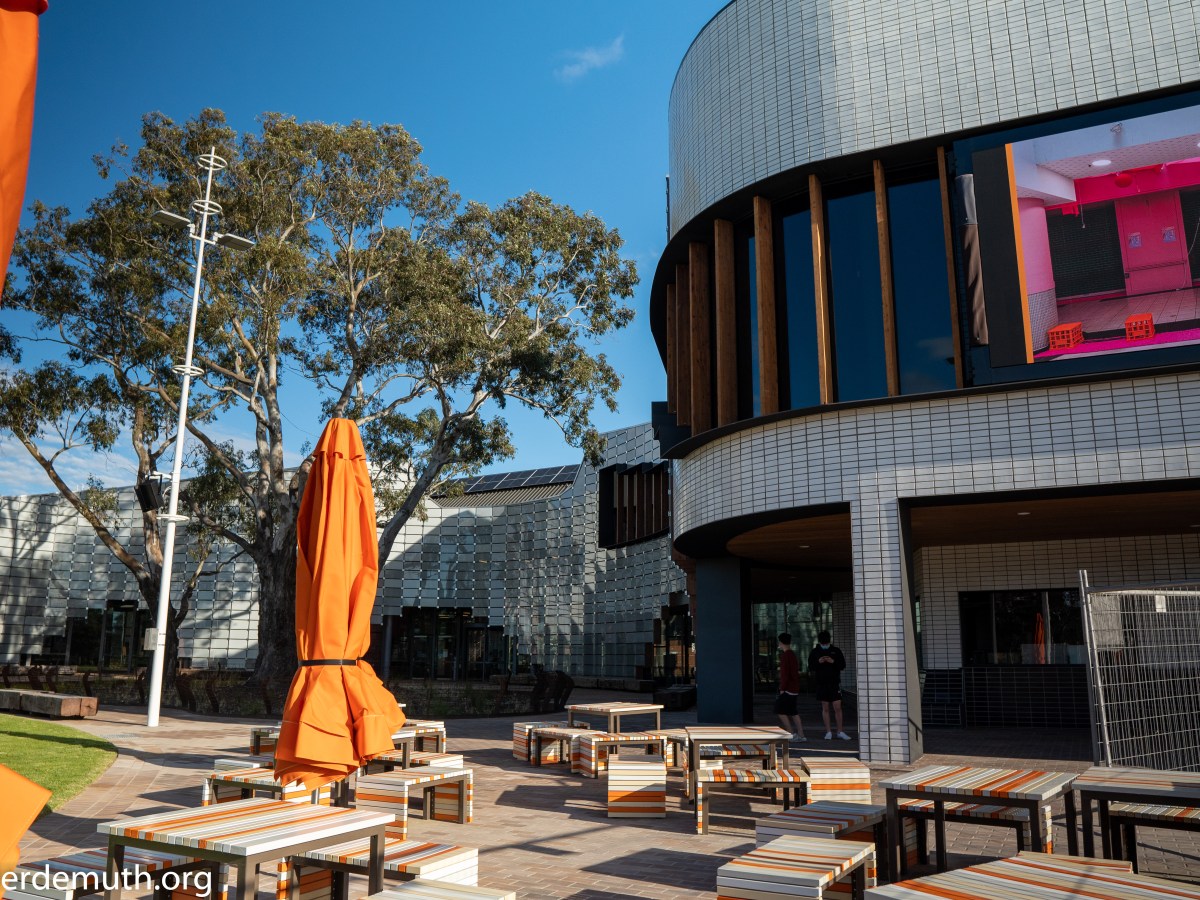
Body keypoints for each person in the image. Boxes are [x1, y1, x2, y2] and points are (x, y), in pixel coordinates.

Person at [808, 630, 851, 740]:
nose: (825, 645)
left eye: (826, 643)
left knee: (838, 707)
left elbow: (842, 665)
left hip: (834, 683)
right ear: (820, 642)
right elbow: (811, 667)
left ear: (829, 641)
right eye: (823, 643)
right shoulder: (815, 652)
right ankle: (828, 732)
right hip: (821, 683)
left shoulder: (836, 651)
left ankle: (840, 731)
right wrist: (819, 662)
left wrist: (833, 661)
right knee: (825, 707)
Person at [774, 632, 805, 742]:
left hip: (788, 689)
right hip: (794, 688)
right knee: (793, 712)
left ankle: (791, 733)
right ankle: (801, 734)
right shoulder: (792, 654)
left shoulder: (785, 656)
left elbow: (785, 675)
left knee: (779, 709)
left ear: (781, 642)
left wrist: (782, 689)